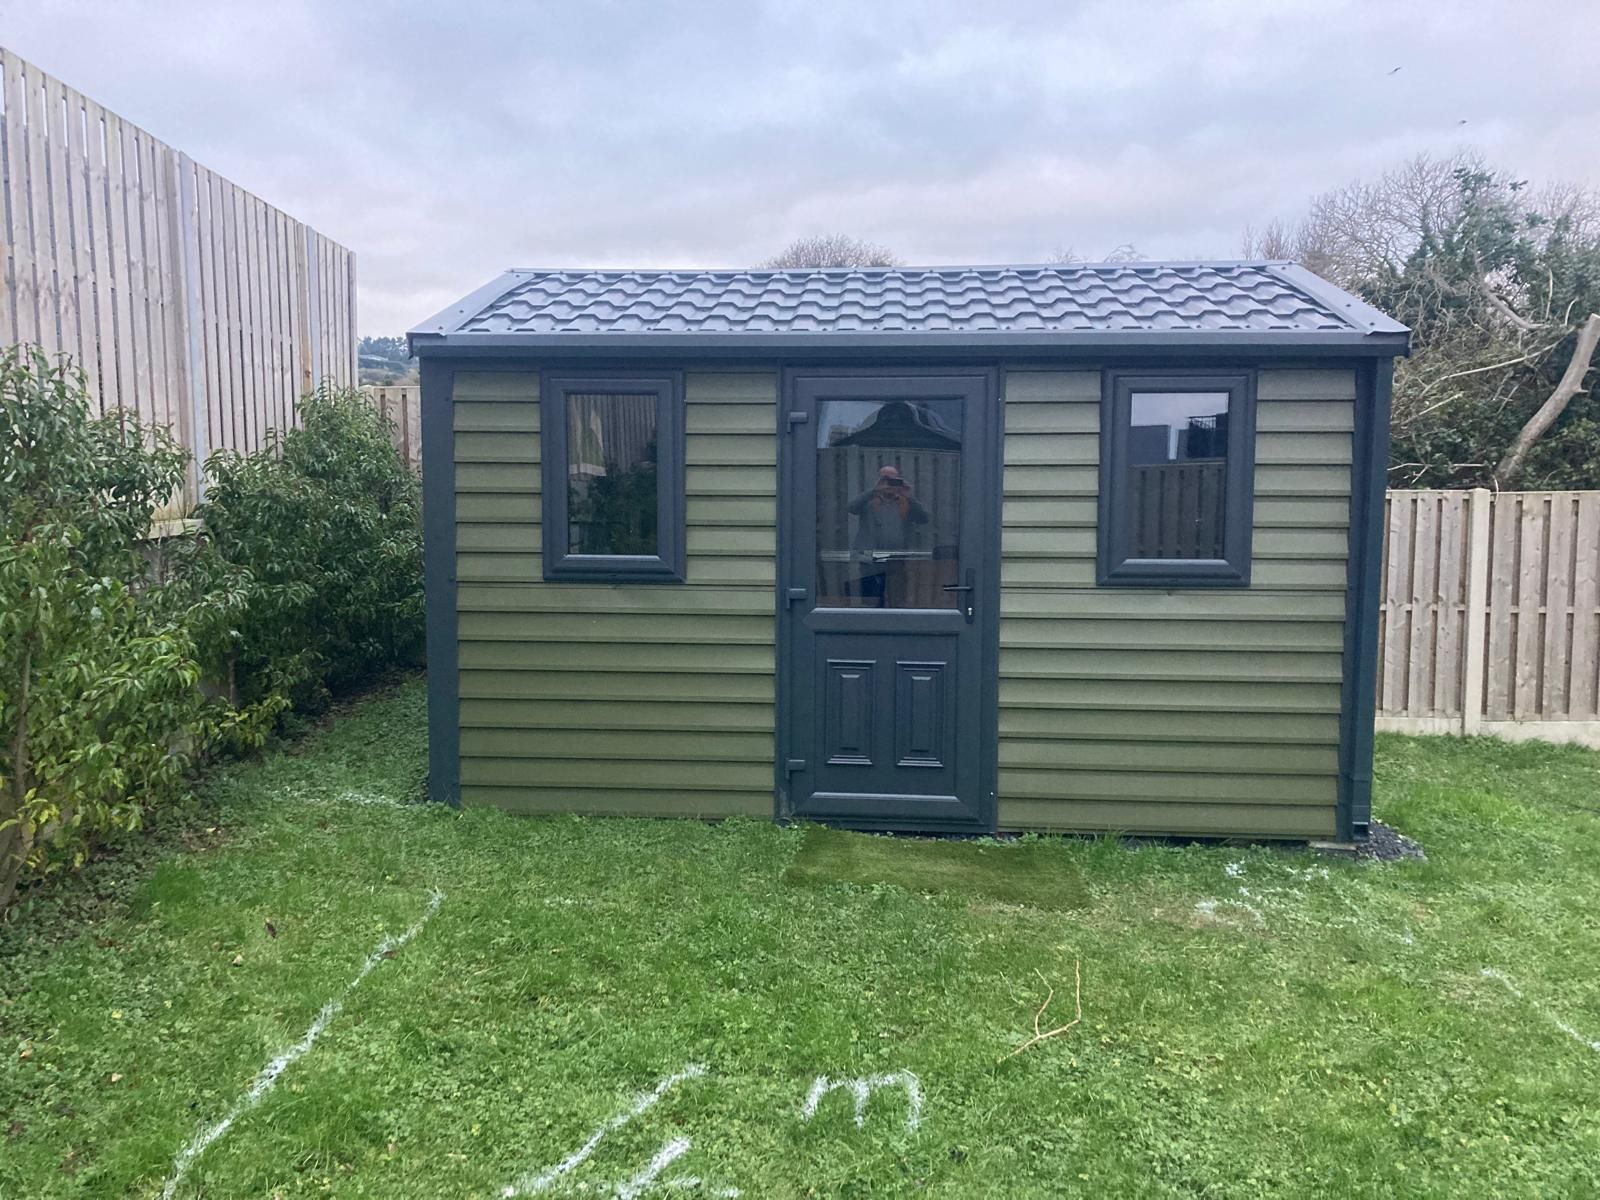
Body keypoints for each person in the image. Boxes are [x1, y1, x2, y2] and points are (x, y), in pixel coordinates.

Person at [846, 465, 928, 605]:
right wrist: (874, 491)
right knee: (870, 598)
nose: (889, 484)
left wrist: (909, 496)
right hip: (869, 557)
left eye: (893, 480)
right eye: (885, 479)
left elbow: (924, 518)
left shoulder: (905, 502)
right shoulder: (868, 500)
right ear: (879, 480)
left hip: (897, 557)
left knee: (897, 598)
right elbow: (851, 508)